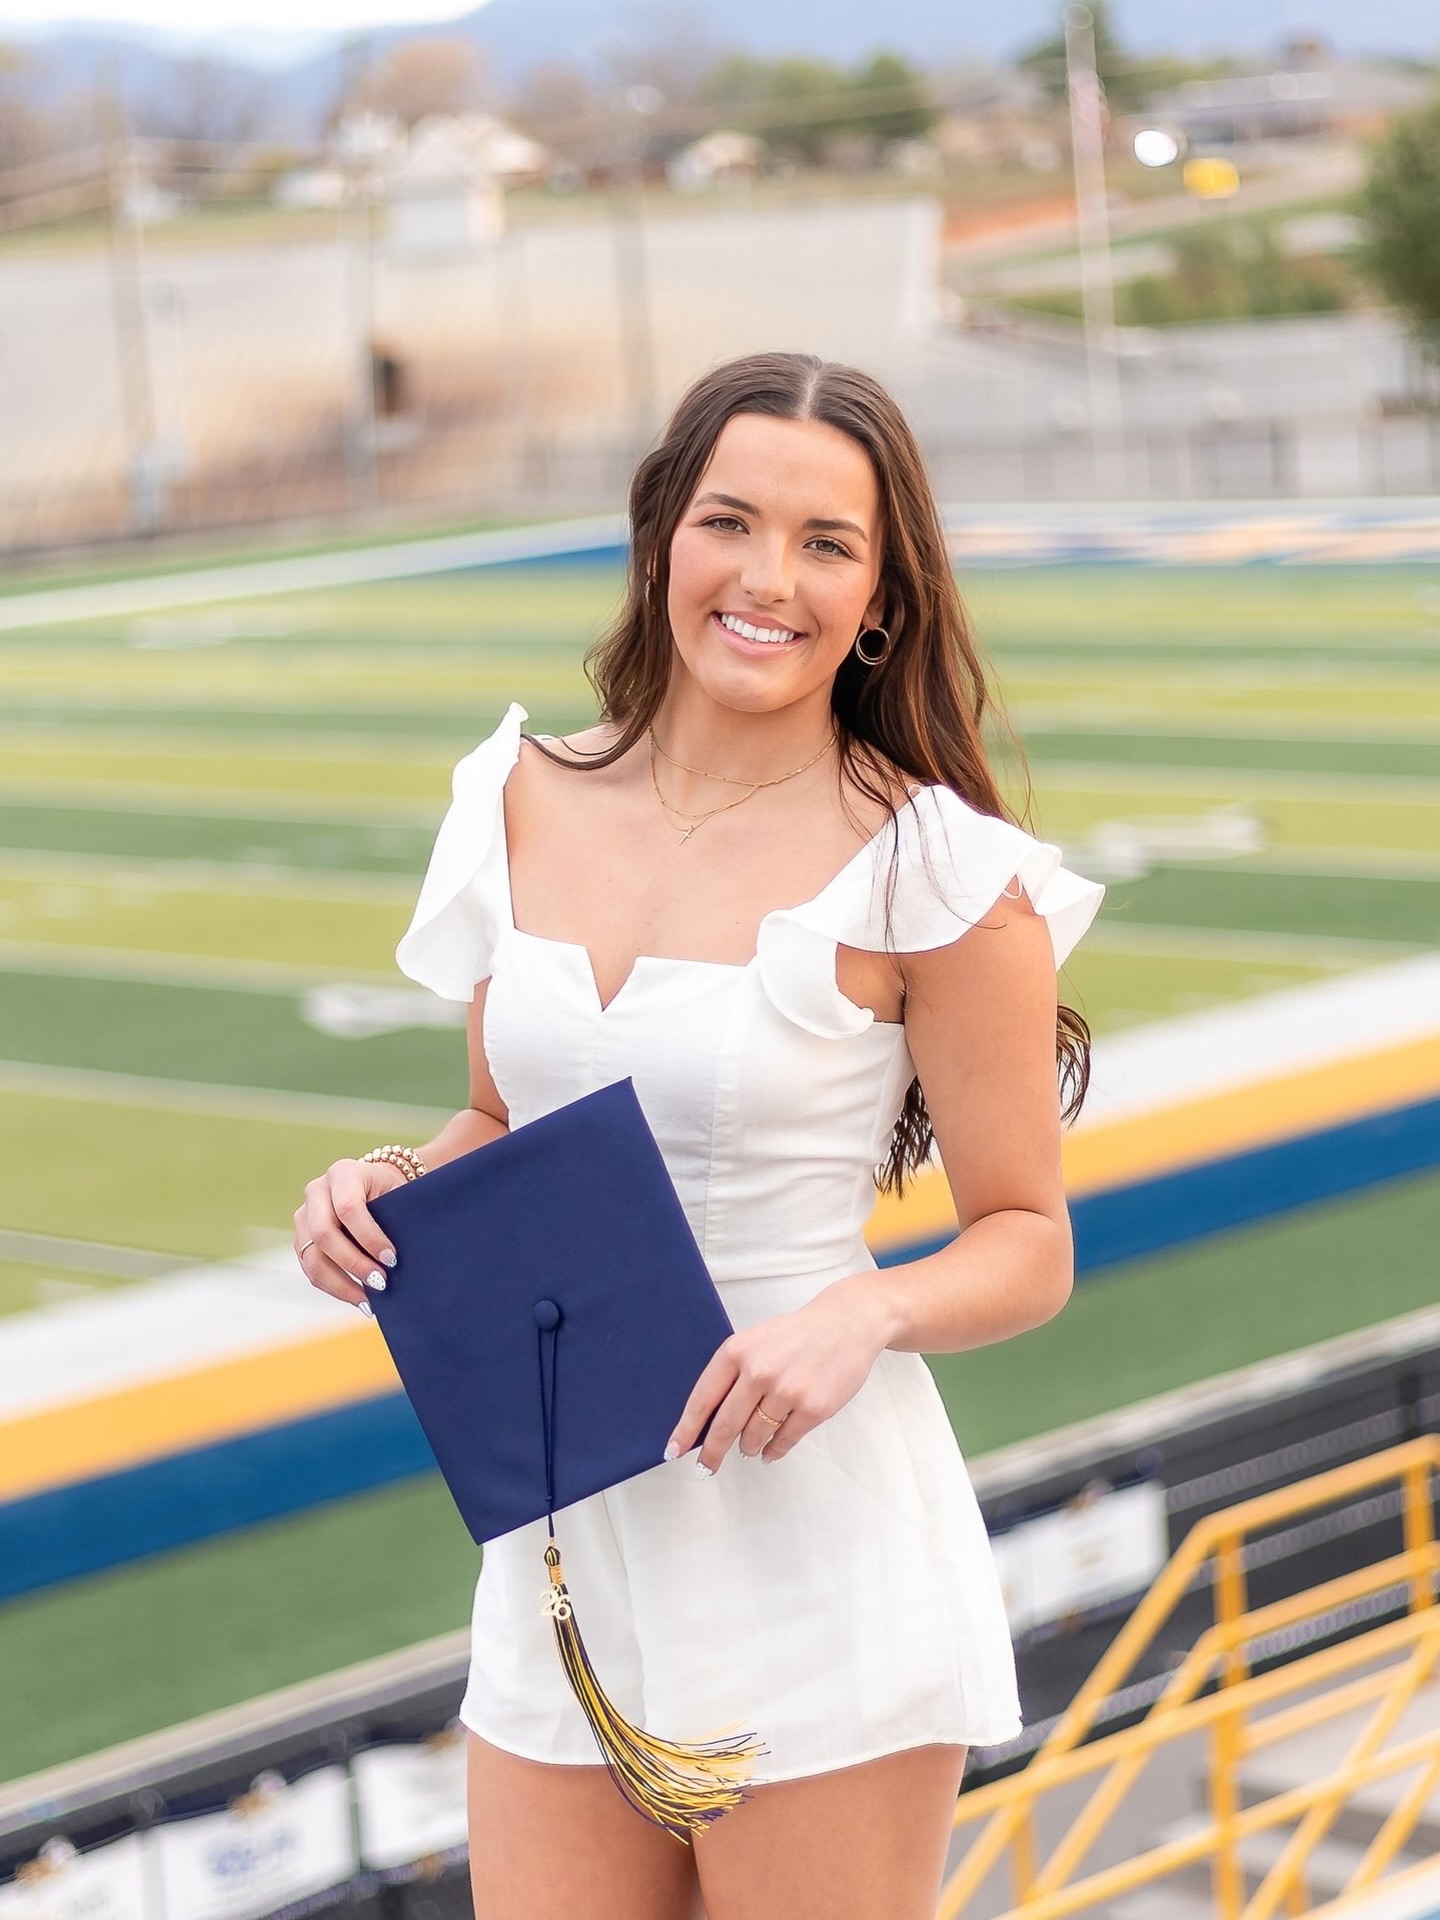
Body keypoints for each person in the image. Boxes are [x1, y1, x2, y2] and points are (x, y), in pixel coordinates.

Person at [293, 351, 1103, 1920]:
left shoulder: (938, 873)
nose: (767, 578)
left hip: (815, 1534)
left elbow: (1030, 1240)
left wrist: (860, 1311)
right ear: (664, 532)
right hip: (569, 1538)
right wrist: (388, 1192)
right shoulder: (515, 797)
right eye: (731, 521)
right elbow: (494, 1118)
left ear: (879, 599)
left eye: (827, 543)